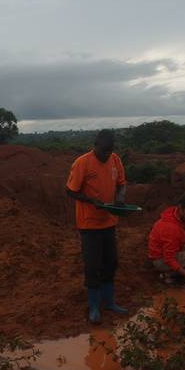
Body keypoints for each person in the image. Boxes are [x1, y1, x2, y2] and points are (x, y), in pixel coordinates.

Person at [66, 129, 128, 324]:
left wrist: (119, 198)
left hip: (109, 221)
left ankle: (109, 302)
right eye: (103, 151)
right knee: (93, 265)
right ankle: (94, 307)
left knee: (111, 262)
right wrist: (91, 200)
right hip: (89, 224)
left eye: (109, 152)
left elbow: (121, 184)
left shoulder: (115, 160)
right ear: (95, 146)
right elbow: (71, 191)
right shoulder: (82, 163)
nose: (106, 155)